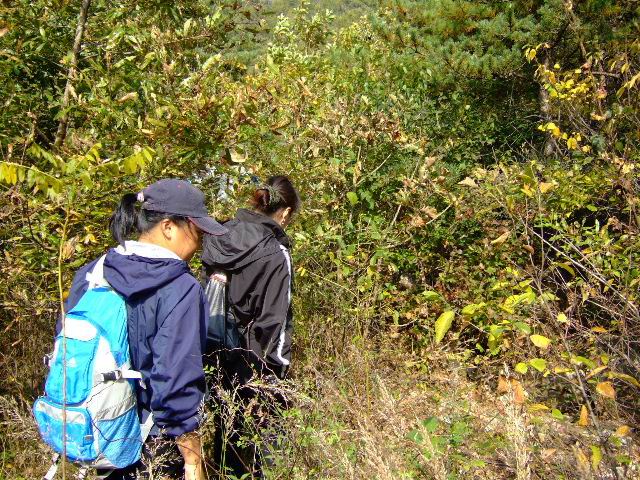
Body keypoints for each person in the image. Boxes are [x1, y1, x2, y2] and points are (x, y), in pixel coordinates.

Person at [60, 179, 227, 480]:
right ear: (168, 227)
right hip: (153, 443)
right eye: (197, 231)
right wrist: (193, 460)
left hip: (98, 431)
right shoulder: (181, 288)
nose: (200, 243)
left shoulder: (93, 272)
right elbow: (175, 380)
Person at [201, 175, 301, 477]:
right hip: (256, 364)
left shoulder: (220, 235)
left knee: (226, 430)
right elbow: (274, 322)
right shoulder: (275, 253)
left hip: (213, 353)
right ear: (285, 213)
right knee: (270, 443)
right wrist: (275, 375)